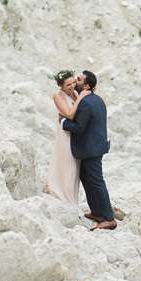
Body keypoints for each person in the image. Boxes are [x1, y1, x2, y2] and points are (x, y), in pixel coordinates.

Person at [61, 71, 117, 231]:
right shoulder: (96, 99)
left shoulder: (85, 102)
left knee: (97, 181)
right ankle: (97, 212)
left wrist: (63, 122)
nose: (74, 81)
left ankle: (109, 218)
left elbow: (79, 127)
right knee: (86, 177)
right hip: (94, 146)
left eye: (78, 80)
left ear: (86, 86)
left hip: (91, 149)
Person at [47, 70, 91, 210]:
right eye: (68, 85)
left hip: (75, 133)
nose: (72, 86)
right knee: (66, 166)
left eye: (73, 83)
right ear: (61, 86)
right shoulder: (58, 95)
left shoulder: (75, 92)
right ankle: (63, 198)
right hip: (66, 135)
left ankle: (72, 200)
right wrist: (81, 97)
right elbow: (70, 115)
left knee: (74, 169)